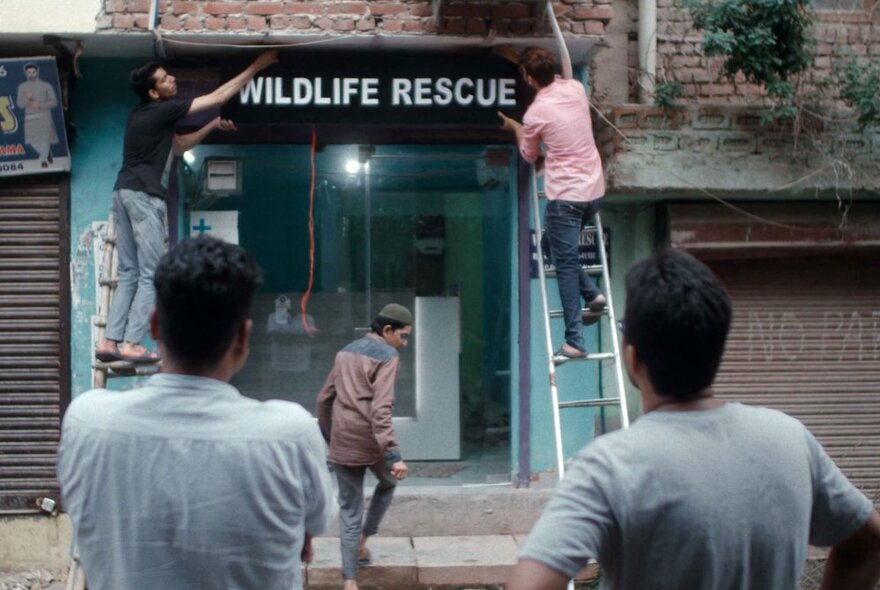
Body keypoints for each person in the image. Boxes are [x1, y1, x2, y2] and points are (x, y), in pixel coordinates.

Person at [509, 248, 880, 590]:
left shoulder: (609, 466)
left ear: (633, 359)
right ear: (717, 349)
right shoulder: (790, 440)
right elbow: (868, 541)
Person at [59, 236, 335, 590]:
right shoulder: (290, 434)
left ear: (155, 325)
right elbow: (309, 532)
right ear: (243, 337)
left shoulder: (88, 422)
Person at [95, 50, 277, 363]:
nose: (172, 79)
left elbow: (179, 146)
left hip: (124, 192)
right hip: (144, 197)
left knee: (129, 272)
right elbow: (219, 95)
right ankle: (131, 343)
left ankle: (110, 342)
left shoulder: (144, 115)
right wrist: (257, 65)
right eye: (165, 79)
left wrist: (211, 126)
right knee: (151, 272)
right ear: (154, 93)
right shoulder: (163, 109)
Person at [498, 46, 606, 361]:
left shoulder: (536, 114)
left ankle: (575, 340)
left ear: (528, 78)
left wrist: (516, 128)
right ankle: (593, 295)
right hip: (593, 192)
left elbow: (529, 156)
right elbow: (562, 79)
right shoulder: (575, 89)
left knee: (566, 263)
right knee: (553, 248)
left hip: (567, 198)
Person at [316, 304, 413, 590]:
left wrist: (331, 436)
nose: (404, 343)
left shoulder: (345, 351)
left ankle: (349, 581)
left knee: (350, 510)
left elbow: (323, 399)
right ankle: (363, 540)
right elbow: (381, 410)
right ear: (387, 330)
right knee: (388, 480)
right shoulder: (388, 356)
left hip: (343, 440)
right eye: (403, 336)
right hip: (371, 439)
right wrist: (394, 455)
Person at [16, 63, 59, 168]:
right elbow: (20, 104)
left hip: (44, 116)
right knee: (33, 140)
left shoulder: (46, 85)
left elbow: (54, 102)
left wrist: (40, 105)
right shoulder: (22, 87)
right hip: (30, 117)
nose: (31, 74)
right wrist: (27, 99)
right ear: (26, 73)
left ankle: (43, 161)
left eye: (33, 72)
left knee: (45, 138)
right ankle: (47, 152)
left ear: (37, 71)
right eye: (29, 72)